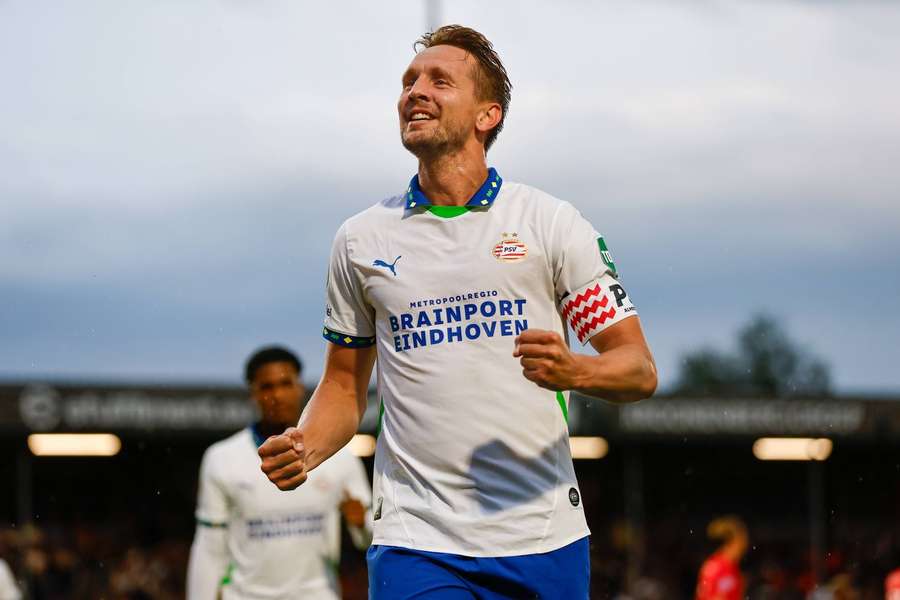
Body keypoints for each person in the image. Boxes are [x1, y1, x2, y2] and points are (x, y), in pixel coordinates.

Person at [259, 25, 657, 599]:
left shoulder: (551, 223)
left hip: (543, 537)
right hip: (416, 538)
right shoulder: (360, 239)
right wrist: (307, 446)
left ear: (486, 115)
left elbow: (638, 369)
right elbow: (344, 390)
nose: (414, 91)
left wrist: (577, 370)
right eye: (409, 81)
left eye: (439, 81)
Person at [187, 346, 372, 600]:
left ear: (300, 387)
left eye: (286, 383)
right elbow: (209, 549)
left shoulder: (339, 456)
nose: (277, 395)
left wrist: (361, 523)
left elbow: (369, 538)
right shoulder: (222, 458)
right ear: (252, 393)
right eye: (267, 387)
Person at [695, 516, 748, 600]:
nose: (745, 544)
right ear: (732, 541)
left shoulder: (730, 568)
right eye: (742, 539)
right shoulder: (718, 568)